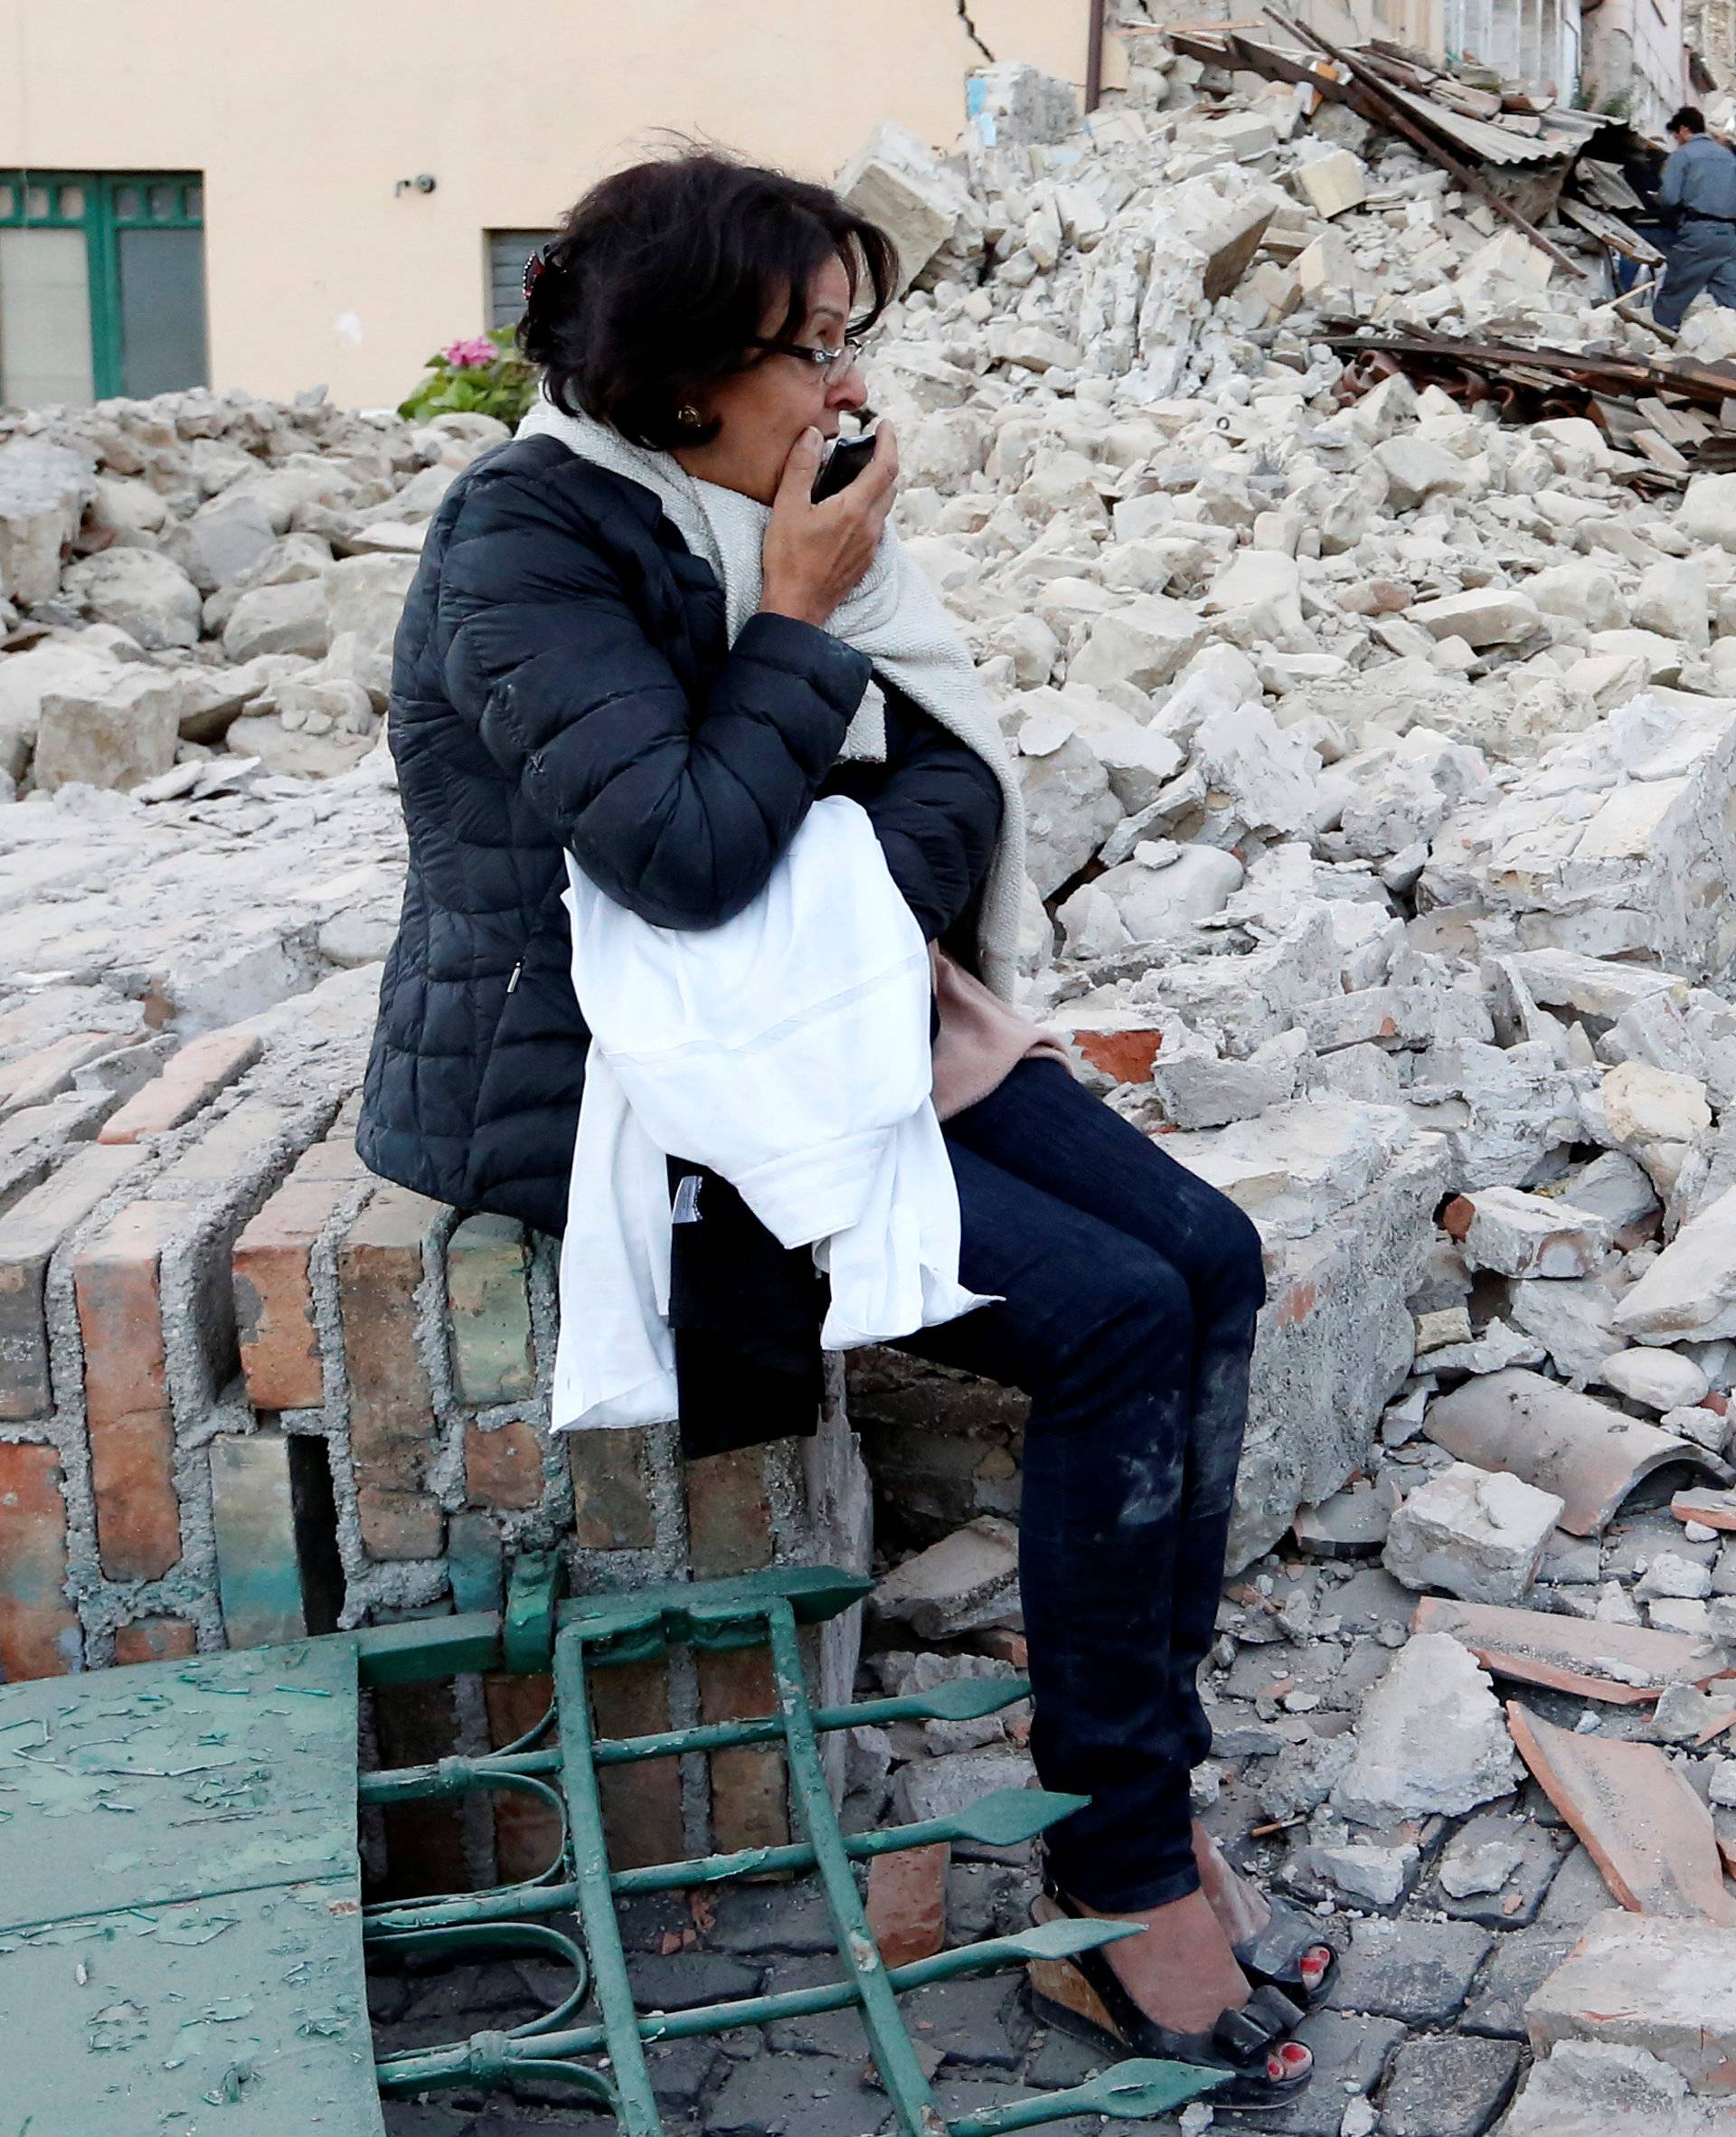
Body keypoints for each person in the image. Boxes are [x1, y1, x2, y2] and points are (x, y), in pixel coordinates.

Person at [357, 147, 1322, 2108]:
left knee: (1207, 1254)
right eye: (802, 353)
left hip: (836, 1024)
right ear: (674, 374)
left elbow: (951, 777)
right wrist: (801, 633)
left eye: (847, 341)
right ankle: (1121, 1860)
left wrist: (833, 805)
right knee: (1115, 1313)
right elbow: (698, 858)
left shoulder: (763, 511)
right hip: (611, 1091)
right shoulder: (527, 546)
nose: (845, 397)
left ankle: (1136, 1767)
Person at [1654, 106, 1736, 329]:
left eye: (1676, 136)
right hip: (1729, 236)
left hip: (1698, 233)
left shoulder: (1683, 155)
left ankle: (1658, 338)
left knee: (1673, 293)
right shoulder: (1728, 156)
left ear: (1684, 129)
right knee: (1730, 299)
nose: (1677, 140)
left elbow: (1670, 198)